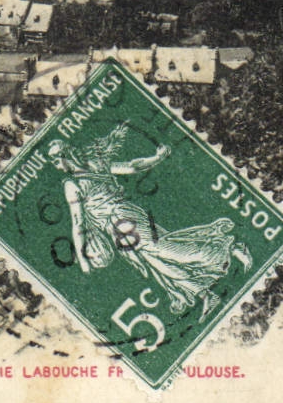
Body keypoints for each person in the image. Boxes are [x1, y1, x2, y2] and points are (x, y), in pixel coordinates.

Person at [50, 124, 251, 319]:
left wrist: (83, 261)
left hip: (122, 219)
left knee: (163, 250)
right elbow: (131, 167)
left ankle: (229, 247)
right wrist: (157, 157)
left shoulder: (73, 184)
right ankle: (205, 294)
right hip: (118, 227)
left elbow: (78, 224)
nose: (56, 166)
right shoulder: (95, 166)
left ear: (66, 156)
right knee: (156, 261)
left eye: (56, 160)